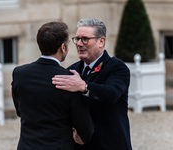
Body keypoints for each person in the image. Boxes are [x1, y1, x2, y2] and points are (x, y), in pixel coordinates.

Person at [11, 21, 94, 150]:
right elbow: (85, 130)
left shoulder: (19, 73)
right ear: (63, 47)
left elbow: (20, 111)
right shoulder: (70, 80)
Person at [52, 18, 132, 150]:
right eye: (77, 39)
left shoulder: (117, 67)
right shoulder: (72, 71)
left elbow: (112, 93)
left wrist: (84, 87)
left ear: (101, 41)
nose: (79, 43)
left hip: (110, 144)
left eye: (85, 39)